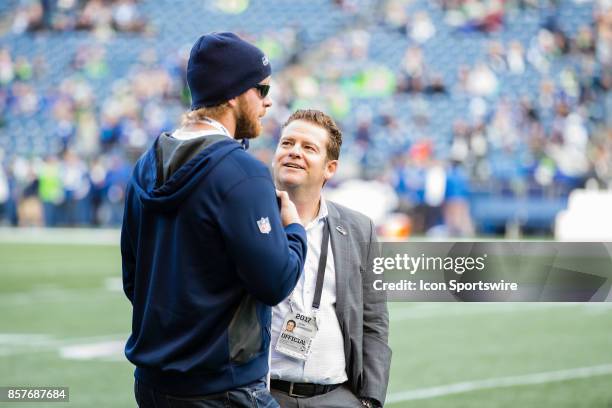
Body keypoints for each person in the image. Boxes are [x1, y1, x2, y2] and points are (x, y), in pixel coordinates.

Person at [121, 32, 307, 408]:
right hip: (221, 389)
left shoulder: (145, 164)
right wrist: (294, 229)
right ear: (234, 93)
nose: (268, 101)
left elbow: (133, 280)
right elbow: (276, 282)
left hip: (154, 385)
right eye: (261, 88)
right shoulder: (243, 172)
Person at [269, 109, 391, 408]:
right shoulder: (246, 219)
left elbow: (374, 321)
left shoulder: (359, 228)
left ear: (330, 168)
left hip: (335, 397)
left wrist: (370, 400)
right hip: (260, 396)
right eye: (287, 143)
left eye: (308, 147)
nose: (294, 152)